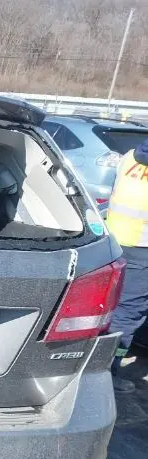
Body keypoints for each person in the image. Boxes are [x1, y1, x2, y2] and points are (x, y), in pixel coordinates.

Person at [105, 138, 148, 393]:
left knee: (111, 306)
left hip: (115, 241)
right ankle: (107, 371)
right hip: (143, 249)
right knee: (128, 313)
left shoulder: (130, 155)